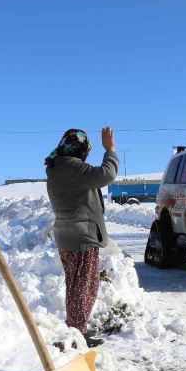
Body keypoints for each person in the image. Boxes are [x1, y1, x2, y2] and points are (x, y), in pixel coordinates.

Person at [46, 127, 118, 347]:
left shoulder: (58, 167)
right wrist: (110, 149)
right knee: (83, 286)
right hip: (81, 235)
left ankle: (76, 329)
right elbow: (106, 174)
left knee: (77, 284)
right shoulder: (72, 167)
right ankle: (77, 333)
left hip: (67, 234)